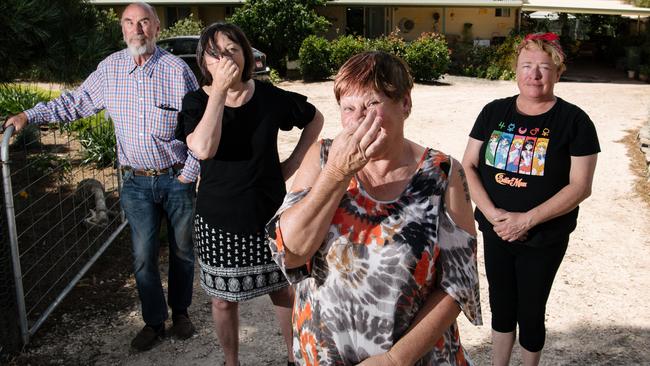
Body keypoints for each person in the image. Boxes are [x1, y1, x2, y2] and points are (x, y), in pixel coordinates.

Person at [3, 2, 199, 352]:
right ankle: (154, 322)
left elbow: (201, 127)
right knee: (142, 256)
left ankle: (181, 312)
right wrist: (28, 116)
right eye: (128, 23)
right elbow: (74, 102)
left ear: (156, 28)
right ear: (122, 29)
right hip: (136, 183)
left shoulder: (177, 70)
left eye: (143, 23)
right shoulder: (109, 70)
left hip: (175, 178)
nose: (136, 30)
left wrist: (190, 173)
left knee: (183, 251)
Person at [265, 51, 482, 365]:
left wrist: (395, 359)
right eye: (349, 108)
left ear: (405, 104)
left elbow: (458, 283)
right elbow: (291, 252)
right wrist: (337, 174)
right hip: (326, 353)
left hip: (414, 357)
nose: (358, 119)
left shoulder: (443, 173)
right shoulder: (322, 158)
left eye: (372, 104)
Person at [174, 23, 323, 366]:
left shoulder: (270, 96)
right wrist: (219, 94)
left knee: (284, 291)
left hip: (269, 214)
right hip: (218, 218)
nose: (224, 58)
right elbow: (202, 148)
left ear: (247, 57)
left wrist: (293, 164)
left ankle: (293, 358)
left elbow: (315, 119)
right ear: (204, 61)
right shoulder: (196, 101)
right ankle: (232, 362)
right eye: (215, 52)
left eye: (232, 50)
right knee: (224, 300)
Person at [461, 32, 599, 366]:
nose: (534, 74)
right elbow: (468, 164)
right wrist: (494, 216)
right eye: (526, 66)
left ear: (557, 72)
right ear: (516, 70)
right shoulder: (494, 111)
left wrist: (527, 219)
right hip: (497, 231)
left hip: (543, 237)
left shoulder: (575, 121)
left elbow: (580, 186)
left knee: (532, 310)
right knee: (502, 304)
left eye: (543, 67)